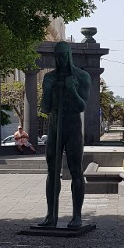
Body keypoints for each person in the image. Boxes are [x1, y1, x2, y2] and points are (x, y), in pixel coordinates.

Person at [38, 41, 91, 228]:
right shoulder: (49, 78)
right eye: (57, 56)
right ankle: (50, 215)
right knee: (52, 171)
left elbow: (81, 106)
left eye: (63, 55)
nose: (60, 59)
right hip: (54, 127)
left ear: (69, 55)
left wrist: (71, 89)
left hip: (73, 127)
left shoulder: (82, 77)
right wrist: (48, 90)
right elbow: (45, 108)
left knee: (76, 170)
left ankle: (77, 216)